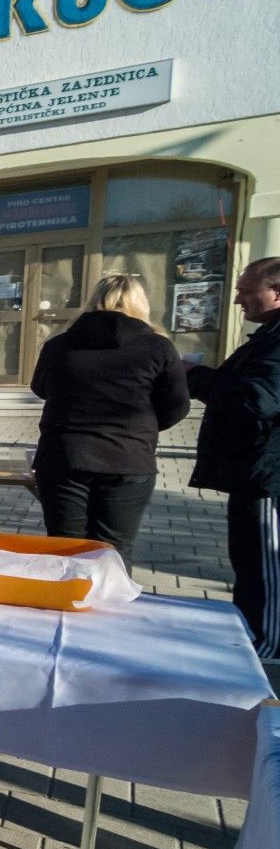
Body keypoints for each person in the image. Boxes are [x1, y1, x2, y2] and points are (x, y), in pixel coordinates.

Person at [29, 274, 189, 566]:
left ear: (94, 300)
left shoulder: (59, 345)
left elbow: (40, 388)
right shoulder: (159, 347)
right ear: (141, 304)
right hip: (129, 459)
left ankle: (63, 603)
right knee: (115, 550)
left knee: (64, 547)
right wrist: (142, 428)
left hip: (64, 457)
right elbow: (177, 406)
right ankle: (113, 606)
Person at [190, 257, 280, 659]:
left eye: (247, 290)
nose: (239, 299)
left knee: (266, 570)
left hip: (269, 478)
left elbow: (256, 399)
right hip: (254, 475)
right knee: (250, 564)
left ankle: (266, 646)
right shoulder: (268, 336)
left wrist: (194, 376)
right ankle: (251, 637)